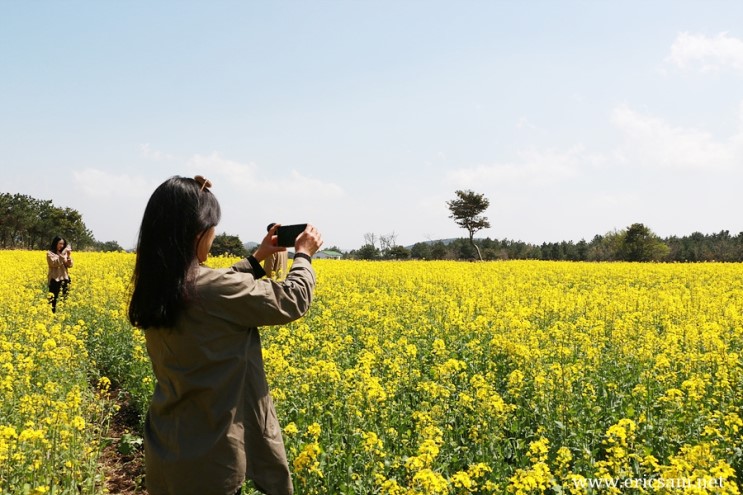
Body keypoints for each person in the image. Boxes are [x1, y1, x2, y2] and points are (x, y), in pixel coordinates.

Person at [128, 175, 323, 495]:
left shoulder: (159, 285)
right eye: (212, 228)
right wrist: (303, 254)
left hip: (167, 445)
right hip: (211, 457)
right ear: (197, 232)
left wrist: (257, 259)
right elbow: (292, 300)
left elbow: (213, 288)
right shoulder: (207, 290)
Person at [47, 236, 73, 313]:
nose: (61, 246)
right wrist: (63, 253)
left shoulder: (64, 254)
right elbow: (54, 263)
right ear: (55, 243)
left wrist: (68, 256)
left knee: (64, 299)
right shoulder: (50, 254)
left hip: (65, 278)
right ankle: (51, 314)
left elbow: (70, 265)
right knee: (52, 300)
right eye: (60, 243)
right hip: (55, 279)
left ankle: (63, 314)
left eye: (63, 244)